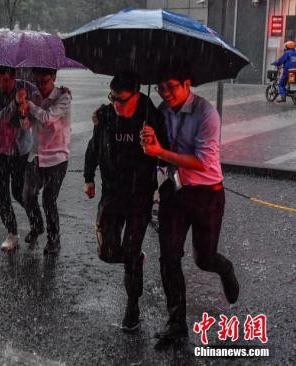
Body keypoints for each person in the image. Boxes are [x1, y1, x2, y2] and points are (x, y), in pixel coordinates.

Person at [140, 72, 240, 341]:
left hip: (208, 193)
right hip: (176, 190)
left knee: (204, 259)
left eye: (171, 87)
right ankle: (176, 323)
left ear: (187, 84)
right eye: (161, 87)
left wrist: (160, 152)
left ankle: (225, 269)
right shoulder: (160, 110)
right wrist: (149, 140)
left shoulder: (206, 114)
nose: (165, 93)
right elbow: (156, 149)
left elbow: (202, 163)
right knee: (169, 257)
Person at [84, 72, 168, 332]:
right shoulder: (106, 117)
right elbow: (93, 146)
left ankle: (132, 306)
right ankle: (133, 258)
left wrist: (154, 145)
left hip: (139, 195)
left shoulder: (150, 115)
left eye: (121, 100)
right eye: (112, 98)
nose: (116, 104)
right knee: (107, 252)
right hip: (112, 192)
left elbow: (166, 154)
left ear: (137, 94)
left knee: (130, 252)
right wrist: (89, 178)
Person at [0, 66, 41, 252]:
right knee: (1, 195)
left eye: (6, 80)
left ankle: (36, 222)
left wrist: (60, 93)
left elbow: (43, 102)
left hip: (20, 151)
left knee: (20, 192)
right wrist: (15, 103)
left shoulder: (28, 88)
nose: (2, 85)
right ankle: (12, 234)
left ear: (14, 76)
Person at [16, 67, 71, 255]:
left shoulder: (64, 97)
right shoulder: (35, 96)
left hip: (57, 156)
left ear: (54, 78)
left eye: (45, 81)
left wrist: (29, 104)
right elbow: (26, 126)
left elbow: (47, 118)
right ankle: (37, 225)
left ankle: (54, 238)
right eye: (37, 82)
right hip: (37, 154)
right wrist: (23, 111)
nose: (41, 86)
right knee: (28, 194)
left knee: (49, 199)